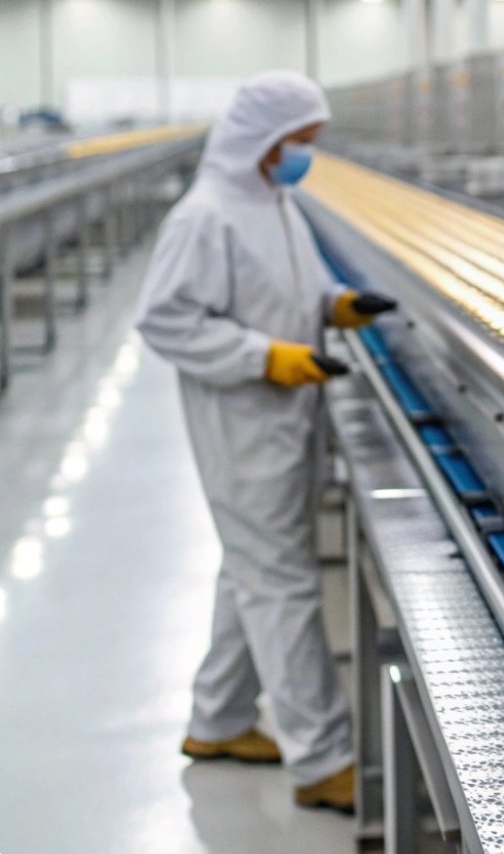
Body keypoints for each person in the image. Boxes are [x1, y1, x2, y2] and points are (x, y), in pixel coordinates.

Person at [136, 70, 395, 813]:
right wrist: (266, 356)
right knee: (281, 581)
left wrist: (338, 306)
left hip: (285, 417)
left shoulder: (273, 203)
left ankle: (217, 720)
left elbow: (298, 288)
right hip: (243, 423)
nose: (303, 156)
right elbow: (166, 320)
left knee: (250, 566)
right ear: (261, 139)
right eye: (296, 143)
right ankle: (322, 758)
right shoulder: (205, 215)